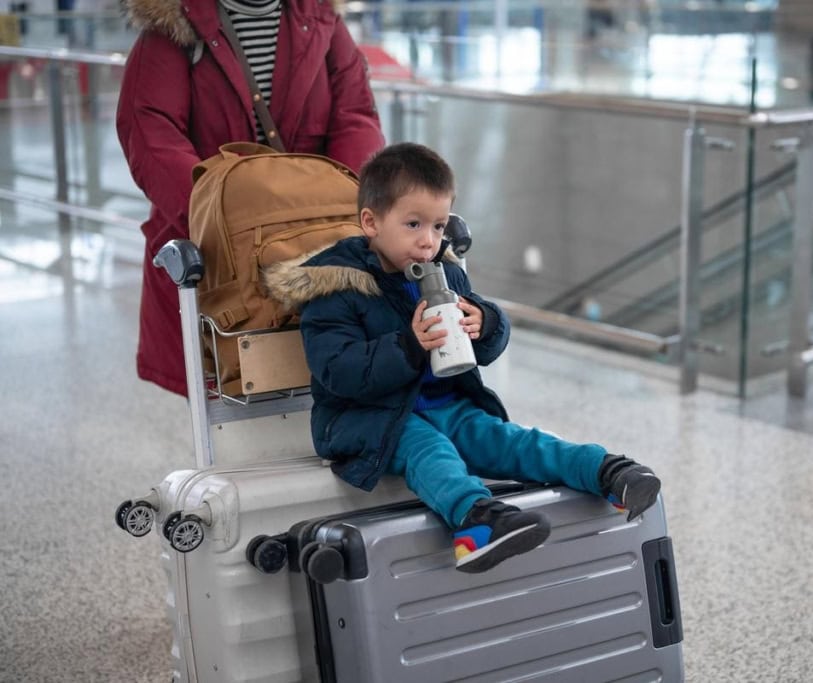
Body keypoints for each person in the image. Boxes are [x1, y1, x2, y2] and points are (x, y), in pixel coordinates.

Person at [263, 142, 662, 573]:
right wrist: (409, 344)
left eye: (438, 226)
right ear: (371, 223)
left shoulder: (446, 271)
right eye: (413, 224)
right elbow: (338, 372)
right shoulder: (336, 287)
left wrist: (485, 323)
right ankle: (476, 523)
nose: (428, 241)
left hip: (443, 403)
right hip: (365, 417)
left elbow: (487, 340)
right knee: (428, 449)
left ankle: (605, 472)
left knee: (507, 439)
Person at [116, 0, 385, 396]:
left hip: (316, 246)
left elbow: (355, 116)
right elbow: (152, 135)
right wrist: (224, 219)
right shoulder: (173, 23)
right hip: (217, 253)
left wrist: (345, 210)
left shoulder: (321, 18)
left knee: (329, 379)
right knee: (227, 407)